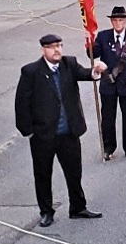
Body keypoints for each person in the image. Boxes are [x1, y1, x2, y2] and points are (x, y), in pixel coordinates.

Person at [15, 35, 107, 227]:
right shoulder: (31, 71)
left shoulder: (69, 64)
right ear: (43, 50)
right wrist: (28, 131)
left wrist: (96, 71)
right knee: (43, 174)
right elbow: (21, 104)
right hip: (43, 135)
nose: (56, 50)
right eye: (51, 47)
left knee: (74, 172)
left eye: (59, 46)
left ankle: (78, 207)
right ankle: (46, 211)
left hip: (69, 133)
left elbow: (85, 74)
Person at [93, 6, 126, 161]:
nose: (118, 23)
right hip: (108, 84)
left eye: (121, 20)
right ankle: (108, 148)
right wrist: (89, 41)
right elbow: (94, 53)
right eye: (115, 20)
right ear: (111, 21)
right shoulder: (103, 36)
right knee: (108, 118)